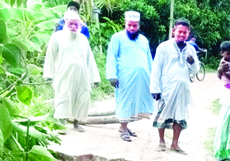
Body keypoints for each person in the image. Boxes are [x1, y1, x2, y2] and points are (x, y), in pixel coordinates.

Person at [44, 10, 101, 133]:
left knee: (82, 98)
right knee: (63, 98)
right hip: (63, 75)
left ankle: (76, 123)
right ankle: (61, 124)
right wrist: (48, 75)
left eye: (76, 24)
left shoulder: (83, 39)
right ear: (65, 22)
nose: (74, 27)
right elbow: (50, 56)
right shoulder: (57, 37)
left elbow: (89, 59)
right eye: (71, 24)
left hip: (81, 76)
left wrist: (94, 78)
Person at [150, 18, 199, 152]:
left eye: (185, 32)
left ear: (188, 33)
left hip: (183, 89)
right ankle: (161, 141)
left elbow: (196, 70)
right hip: (166, 87)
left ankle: (175, 143)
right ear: (173, 31)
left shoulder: (191, 49)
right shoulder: (164, 47)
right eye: (179, 32)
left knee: (180, 115)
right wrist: (155, 88)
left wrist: (192, 62)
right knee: (162, 114)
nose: (182, 35)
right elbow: (156, 69)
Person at [106, 11, 154, 142]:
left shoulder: (144, 40)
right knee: (125, 101)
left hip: (142, 79)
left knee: (137, 102)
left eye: (135, 26)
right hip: (124, 77)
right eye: (129, 25)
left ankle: (125, 127)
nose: (132, 28)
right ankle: (123, 128)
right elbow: (112, 56)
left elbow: (149, 59)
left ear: (139, 25)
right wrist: (112, 75)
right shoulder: (117, 38)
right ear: (125, 24)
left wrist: (153, 77)